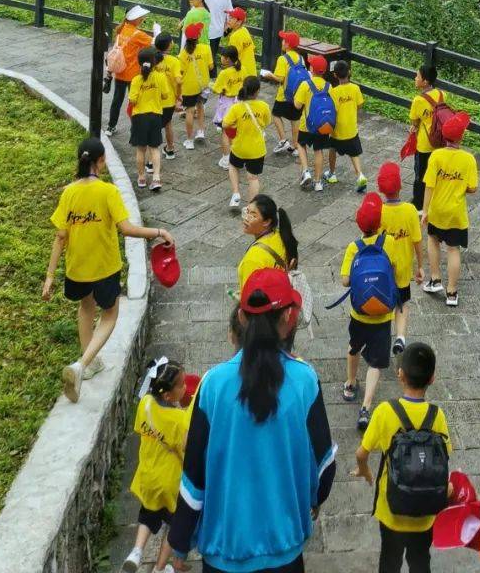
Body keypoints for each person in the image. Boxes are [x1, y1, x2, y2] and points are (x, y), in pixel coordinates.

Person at [165, 268, 336, 573]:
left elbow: (193, 475)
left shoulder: (212, 386)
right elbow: (324, 466)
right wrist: (312, 500)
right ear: (289, 318)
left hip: (223, 552)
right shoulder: (305, 381)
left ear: (241, 319)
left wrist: (179, 542)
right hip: (284, 552)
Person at [43, 136, 172, 404]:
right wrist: (158, 232)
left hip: (77, 268)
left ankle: (90, 363)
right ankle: (82, 365)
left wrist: (49, 276)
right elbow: (127, 229)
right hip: (104, 266)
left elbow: (60, 236)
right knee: (110, 314)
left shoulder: (69, 192)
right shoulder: (107, 191)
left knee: (86, 308)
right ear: (101, 161)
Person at [355, 342, 451, 573]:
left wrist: (364, 469)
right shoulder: (437, 416)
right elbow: (445, 456)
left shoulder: (385, 412)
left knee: (390, 559)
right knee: (420, 560)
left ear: (400, 375)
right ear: (432, 379)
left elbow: (361, 453)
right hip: (426, 514)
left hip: (392, 510)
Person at [122, 357, 191, 573]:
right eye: (181, 385)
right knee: (174, 525)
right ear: (168, 395)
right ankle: (160, 568)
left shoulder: (146, 404)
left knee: (148, 515)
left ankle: (136, 551)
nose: (185, 386)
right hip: (170, 481)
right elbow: (186, 448)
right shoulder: (179, 418)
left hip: (148, 475)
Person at [341, 193, 402, 433]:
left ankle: (350, 383)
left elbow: (346, 281)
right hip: (383, 314)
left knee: (353, 347)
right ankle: (366, 406)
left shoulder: (352, 248)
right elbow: (396, 270)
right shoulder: (389, 243)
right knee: (376, 361)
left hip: (359, 314)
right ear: (380, 223)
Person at [421, 112, 477, 307]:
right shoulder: (468, 159)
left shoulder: (436, 156)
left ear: (444, 136)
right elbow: (472, 188)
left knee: (433, 240)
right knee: (453, 249)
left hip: (437, 210)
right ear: (461, 137)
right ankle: (452, 292)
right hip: (456, 213)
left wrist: (425, 210)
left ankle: (435, 279)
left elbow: (429, 184)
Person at [377, 162, 423, 357]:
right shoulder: (411, 210)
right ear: (400, 186)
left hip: (383, 270)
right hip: (403, 270)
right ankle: (401, 336)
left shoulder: (379, 212)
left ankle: (382, 336)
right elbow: (417, 241)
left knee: (383, 304)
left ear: (380, 189)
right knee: (403, 304)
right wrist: (420, 266)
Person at [223, 75, 271, 210]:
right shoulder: (264, 106)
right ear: (258, 91)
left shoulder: (236, 108)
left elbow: (225, 123)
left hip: (239, 147)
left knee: (233, 166)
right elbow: (267, 122)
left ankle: (236, 193)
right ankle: (251, 208)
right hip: (257, 149)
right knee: (253, 178)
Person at [107, 5, 153, 135]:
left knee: (117, 100)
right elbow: (155, 42)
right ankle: (136, 127)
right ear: (134, 19)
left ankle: (111, 127)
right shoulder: (138, 34)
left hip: (120, 72)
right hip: (133, 74)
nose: (142, 19)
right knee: (135, 101)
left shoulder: (122, 30)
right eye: (140, 17)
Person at [237, 193, 299, 289]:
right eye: (246, 211)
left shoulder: (252, 259)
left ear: (266, 222)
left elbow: (249, 297)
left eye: (252, 216)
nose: (245, 218)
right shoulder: (281, 236)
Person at [325, 59, 368, 191]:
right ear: (349, 72)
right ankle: (360, 175)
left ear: (335, 75)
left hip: (337, 131)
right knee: (354, 154)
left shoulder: (334, 91)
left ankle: (331, 174)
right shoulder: (355, 88)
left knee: (332, 150)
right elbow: (360, 104)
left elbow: (332, 109)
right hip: (351, 130)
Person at [261, 29, 305, 155]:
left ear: (287, 44)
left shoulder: (283, 59)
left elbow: (280, 78)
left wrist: (269, 75)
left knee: (275, 114)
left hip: (284, 95)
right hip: (297, 95)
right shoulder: (301, 58)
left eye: (283, 40)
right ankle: (296, 146)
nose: (282, 42)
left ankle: (283, 140)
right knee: (295, 119)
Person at [129, 48, 166, 193]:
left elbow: (132, 99)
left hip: (139, 117)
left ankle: (141, 177)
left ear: (139, 62)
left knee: (141, 149)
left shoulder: (136, 80)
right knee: (155, 148)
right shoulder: (160, 77)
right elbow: (164, 95)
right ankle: (156, 177)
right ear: (154, 62)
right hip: (155, 115)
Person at [407, 65, 444, 212]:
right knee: (435, 173)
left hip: (424, 144)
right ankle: (435, 200)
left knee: (421, 174)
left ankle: (419, 204)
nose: (415, 78)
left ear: (426, 81)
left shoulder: (418, 100)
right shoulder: (441, 94)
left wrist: (415, 126)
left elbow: (415, 122)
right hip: (439, 141)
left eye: (418, 76)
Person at [294, 53, 331, 194]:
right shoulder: (329, 86)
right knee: (318, 150)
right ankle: (318, 182)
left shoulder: (305, 85)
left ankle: (305, 171)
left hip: (306, 124)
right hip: (322, 125)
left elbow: (297, 105)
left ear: (311, 69)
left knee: (301, 144)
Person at [178, 21, 213, 150]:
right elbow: (211, 66)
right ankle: (201, 132)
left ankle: (189, 140)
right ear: (198, 36)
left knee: (189, 112)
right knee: (201, 107)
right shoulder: (206, 48)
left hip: (189, 87)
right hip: (203, 84)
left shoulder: (183, 54)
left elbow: (180, 72)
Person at [211, 43, 244, 171]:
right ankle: (238, 156)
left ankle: (226, 158)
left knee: (225, 132)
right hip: (240, 102)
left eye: (223, 57)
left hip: (227, 104)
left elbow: (216, 89)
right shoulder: (243, 69)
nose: (221, 58)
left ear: (228, 59)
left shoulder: (224, 73)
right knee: (237, 131)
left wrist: (210, 85)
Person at [154, 32, 181, 161]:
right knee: (168, 123)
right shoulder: (174, 61)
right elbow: (179, 81)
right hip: (169, 100)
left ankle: (152, 156)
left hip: (154, 99)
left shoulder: (152, 59)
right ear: (170, 45)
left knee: (154, 126)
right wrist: (179, 97)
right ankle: (170, 149)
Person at [203, 0, 233, 67]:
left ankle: (211, 76)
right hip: (219, 30)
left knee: (206, 58)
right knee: (213, 55)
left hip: (206, 31)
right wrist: (228, 27)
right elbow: (230, 11)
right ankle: (212, 77)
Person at [226, 6, 257, 78]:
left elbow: (231, 58)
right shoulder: (245, 30)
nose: (228, 20)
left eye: (232, 18)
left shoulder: (235, 36)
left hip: (241, 73)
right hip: (251, 71)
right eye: (229, 17)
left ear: (239, 22)